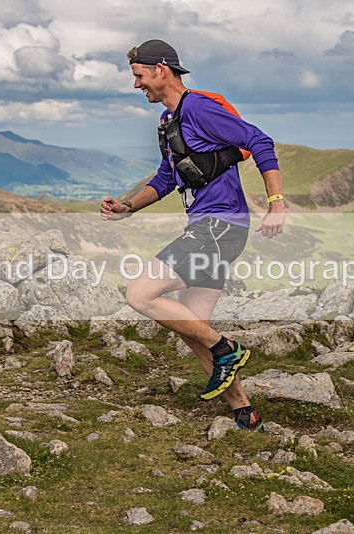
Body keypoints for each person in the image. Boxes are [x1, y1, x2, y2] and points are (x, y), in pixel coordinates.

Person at [100, 39, 286, 430]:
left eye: (139, 76)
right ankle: (244, 413)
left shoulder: (199, 108)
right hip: (210, 229)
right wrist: (129, 206)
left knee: (140, 293)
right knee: (190, 326)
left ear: (161, 70)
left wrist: (277, 201)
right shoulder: (169, 122)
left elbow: (259, 140)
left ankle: (228, 348)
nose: (137, 86)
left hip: (219, 227)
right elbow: (167, 178)